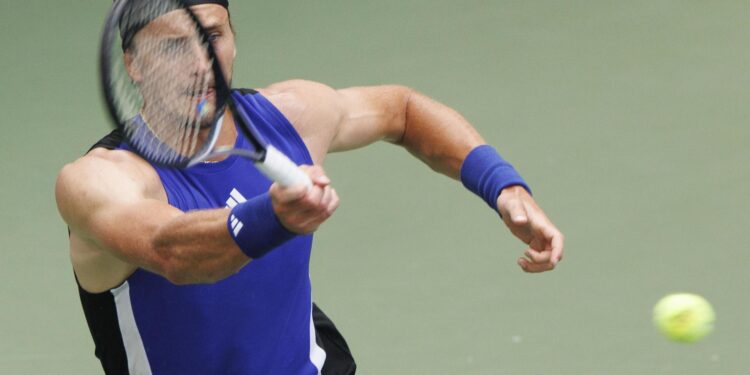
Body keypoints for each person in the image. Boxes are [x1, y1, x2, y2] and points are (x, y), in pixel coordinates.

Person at [55, 1, 564, 374]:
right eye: (172, 46)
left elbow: (402, 110)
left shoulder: (290, 116)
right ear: (133, 65)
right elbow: (171, 251)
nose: (200, 63)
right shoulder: (99, 181)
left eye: (212, 37)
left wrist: (503, 186)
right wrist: (271, 218)